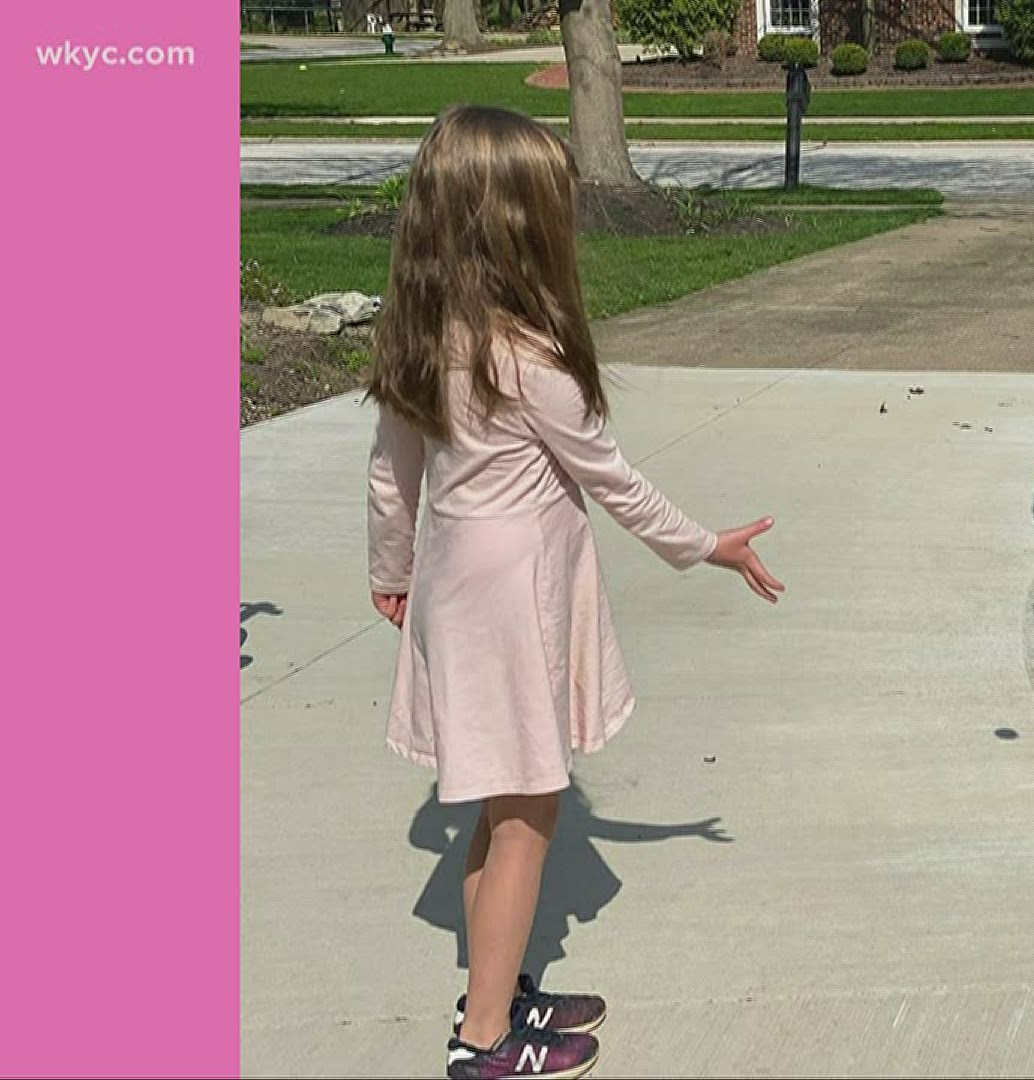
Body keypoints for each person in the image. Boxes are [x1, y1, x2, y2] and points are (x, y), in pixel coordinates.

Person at [364, 104, 784, 1080]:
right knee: (526, 817)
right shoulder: (529, 356)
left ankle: (495, 994)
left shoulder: (418, 337)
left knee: (490, 803)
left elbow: (390, 478)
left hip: (455, 581)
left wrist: (392, 572)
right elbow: (617, 483)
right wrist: (706, 546)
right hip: (514, 598)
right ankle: (484, 1042)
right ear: (515, 224)